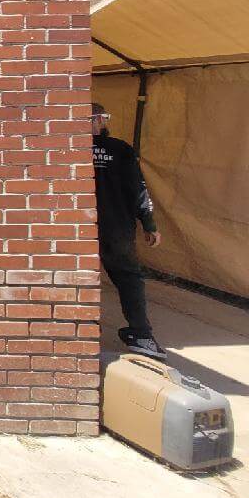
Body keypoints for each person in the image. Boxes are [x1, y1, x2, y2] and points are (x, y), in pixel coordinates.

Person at [90, 102, 165, 360]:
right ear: (100, 121)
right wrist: (149, 224)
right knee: (129, 279)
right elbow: (138, 189)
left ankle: (85, 329)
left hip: (82, 229)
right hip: (118, 228)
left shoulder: (70, 150)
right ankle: (142, 335)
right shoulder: (120, 149)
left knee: (85, 278)